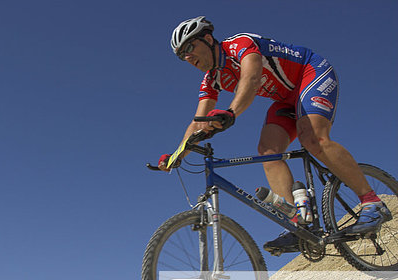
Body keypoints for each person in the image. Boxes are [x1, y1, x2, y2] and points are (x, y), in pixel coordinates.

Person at [159, 16, 392, 255]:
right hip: (285, 100)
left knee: (312, 139)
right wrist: (177, 154)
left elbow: (250, 79)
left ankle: (372, 201)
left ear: (208, 39)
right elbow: (197, 122)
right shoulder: (211, 80)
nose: (187, 57)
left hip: (311, 73)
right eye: (181, 55)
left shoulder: (239, 45)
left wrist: (231, 112)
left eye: (189, 47)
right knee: (268, 152)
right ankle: (299, 224)